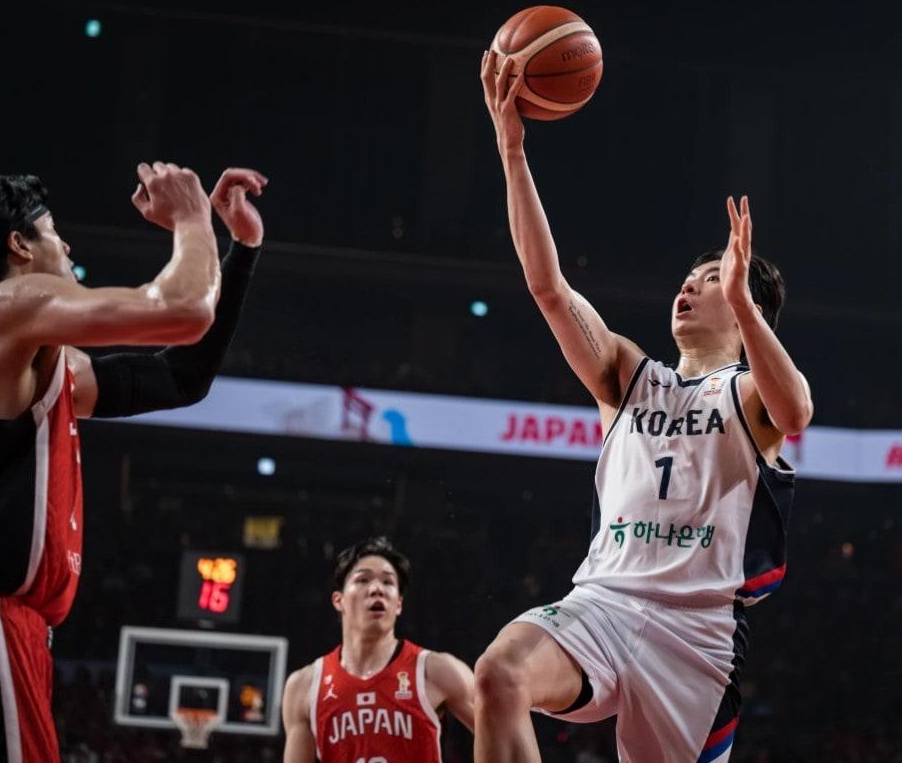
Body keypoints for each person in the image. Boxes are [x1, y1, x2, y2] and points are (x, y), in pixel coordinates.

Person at [475, 52, 814, 762]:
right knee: (498, 673)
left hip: (694, 633)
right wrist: (512, 152)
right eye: (685, 280)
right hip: (600, 602)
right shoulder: (628, 374)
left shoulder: (748, 394)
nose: (686, 289)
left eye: (708, 280)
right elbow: (548, 286)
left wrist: (748, 310)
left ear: (747, 305)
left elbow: (797, 408)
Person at [0, 162, 268, 762]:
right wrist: (191, 216)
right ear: (18, 244)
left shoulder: (46, 363)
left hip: (20, 629)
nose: (65, 244)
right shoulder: (10, 300)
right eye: (51, 230)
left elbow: (180, 376)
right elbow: (185, 309)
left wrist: (242, 248)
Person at [281, 536, 475, 762]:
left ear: (399, 604)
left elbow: (503, 734)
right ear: (338, 600)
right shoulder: (304, 686)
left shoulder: (436, 671)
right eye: (363, 580)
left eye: (388, 582)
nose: (376, 589)